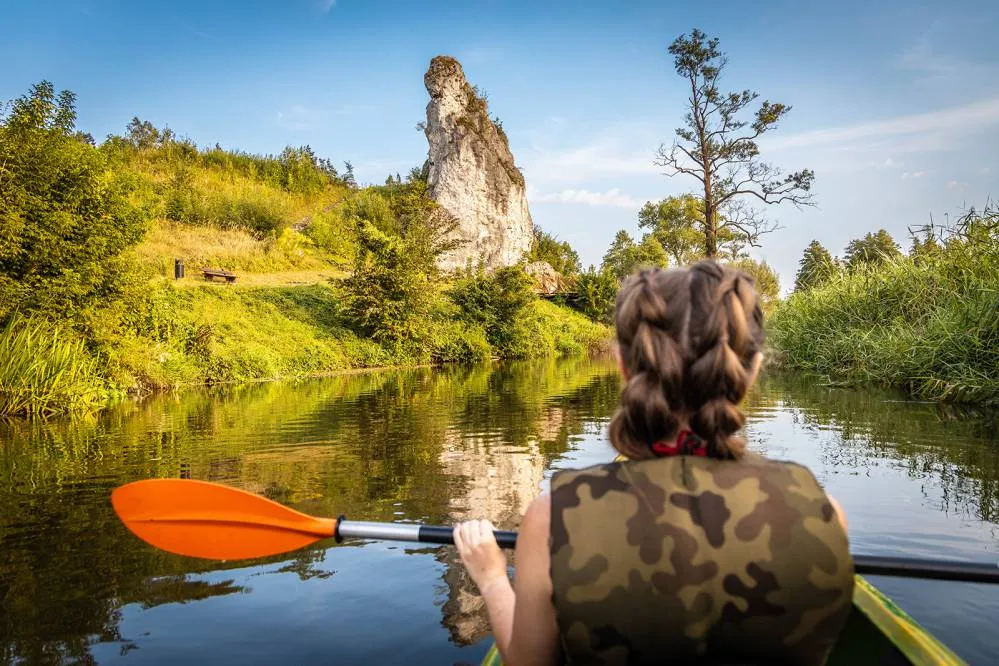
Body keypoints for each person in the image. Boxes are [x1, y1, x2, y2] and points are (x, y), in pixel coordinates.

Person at [453, 261, 854, 666]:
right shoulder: (824, 512)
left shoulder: (554, 517)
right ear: (751, 370)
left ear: (624, 367)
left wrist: (491, 577)